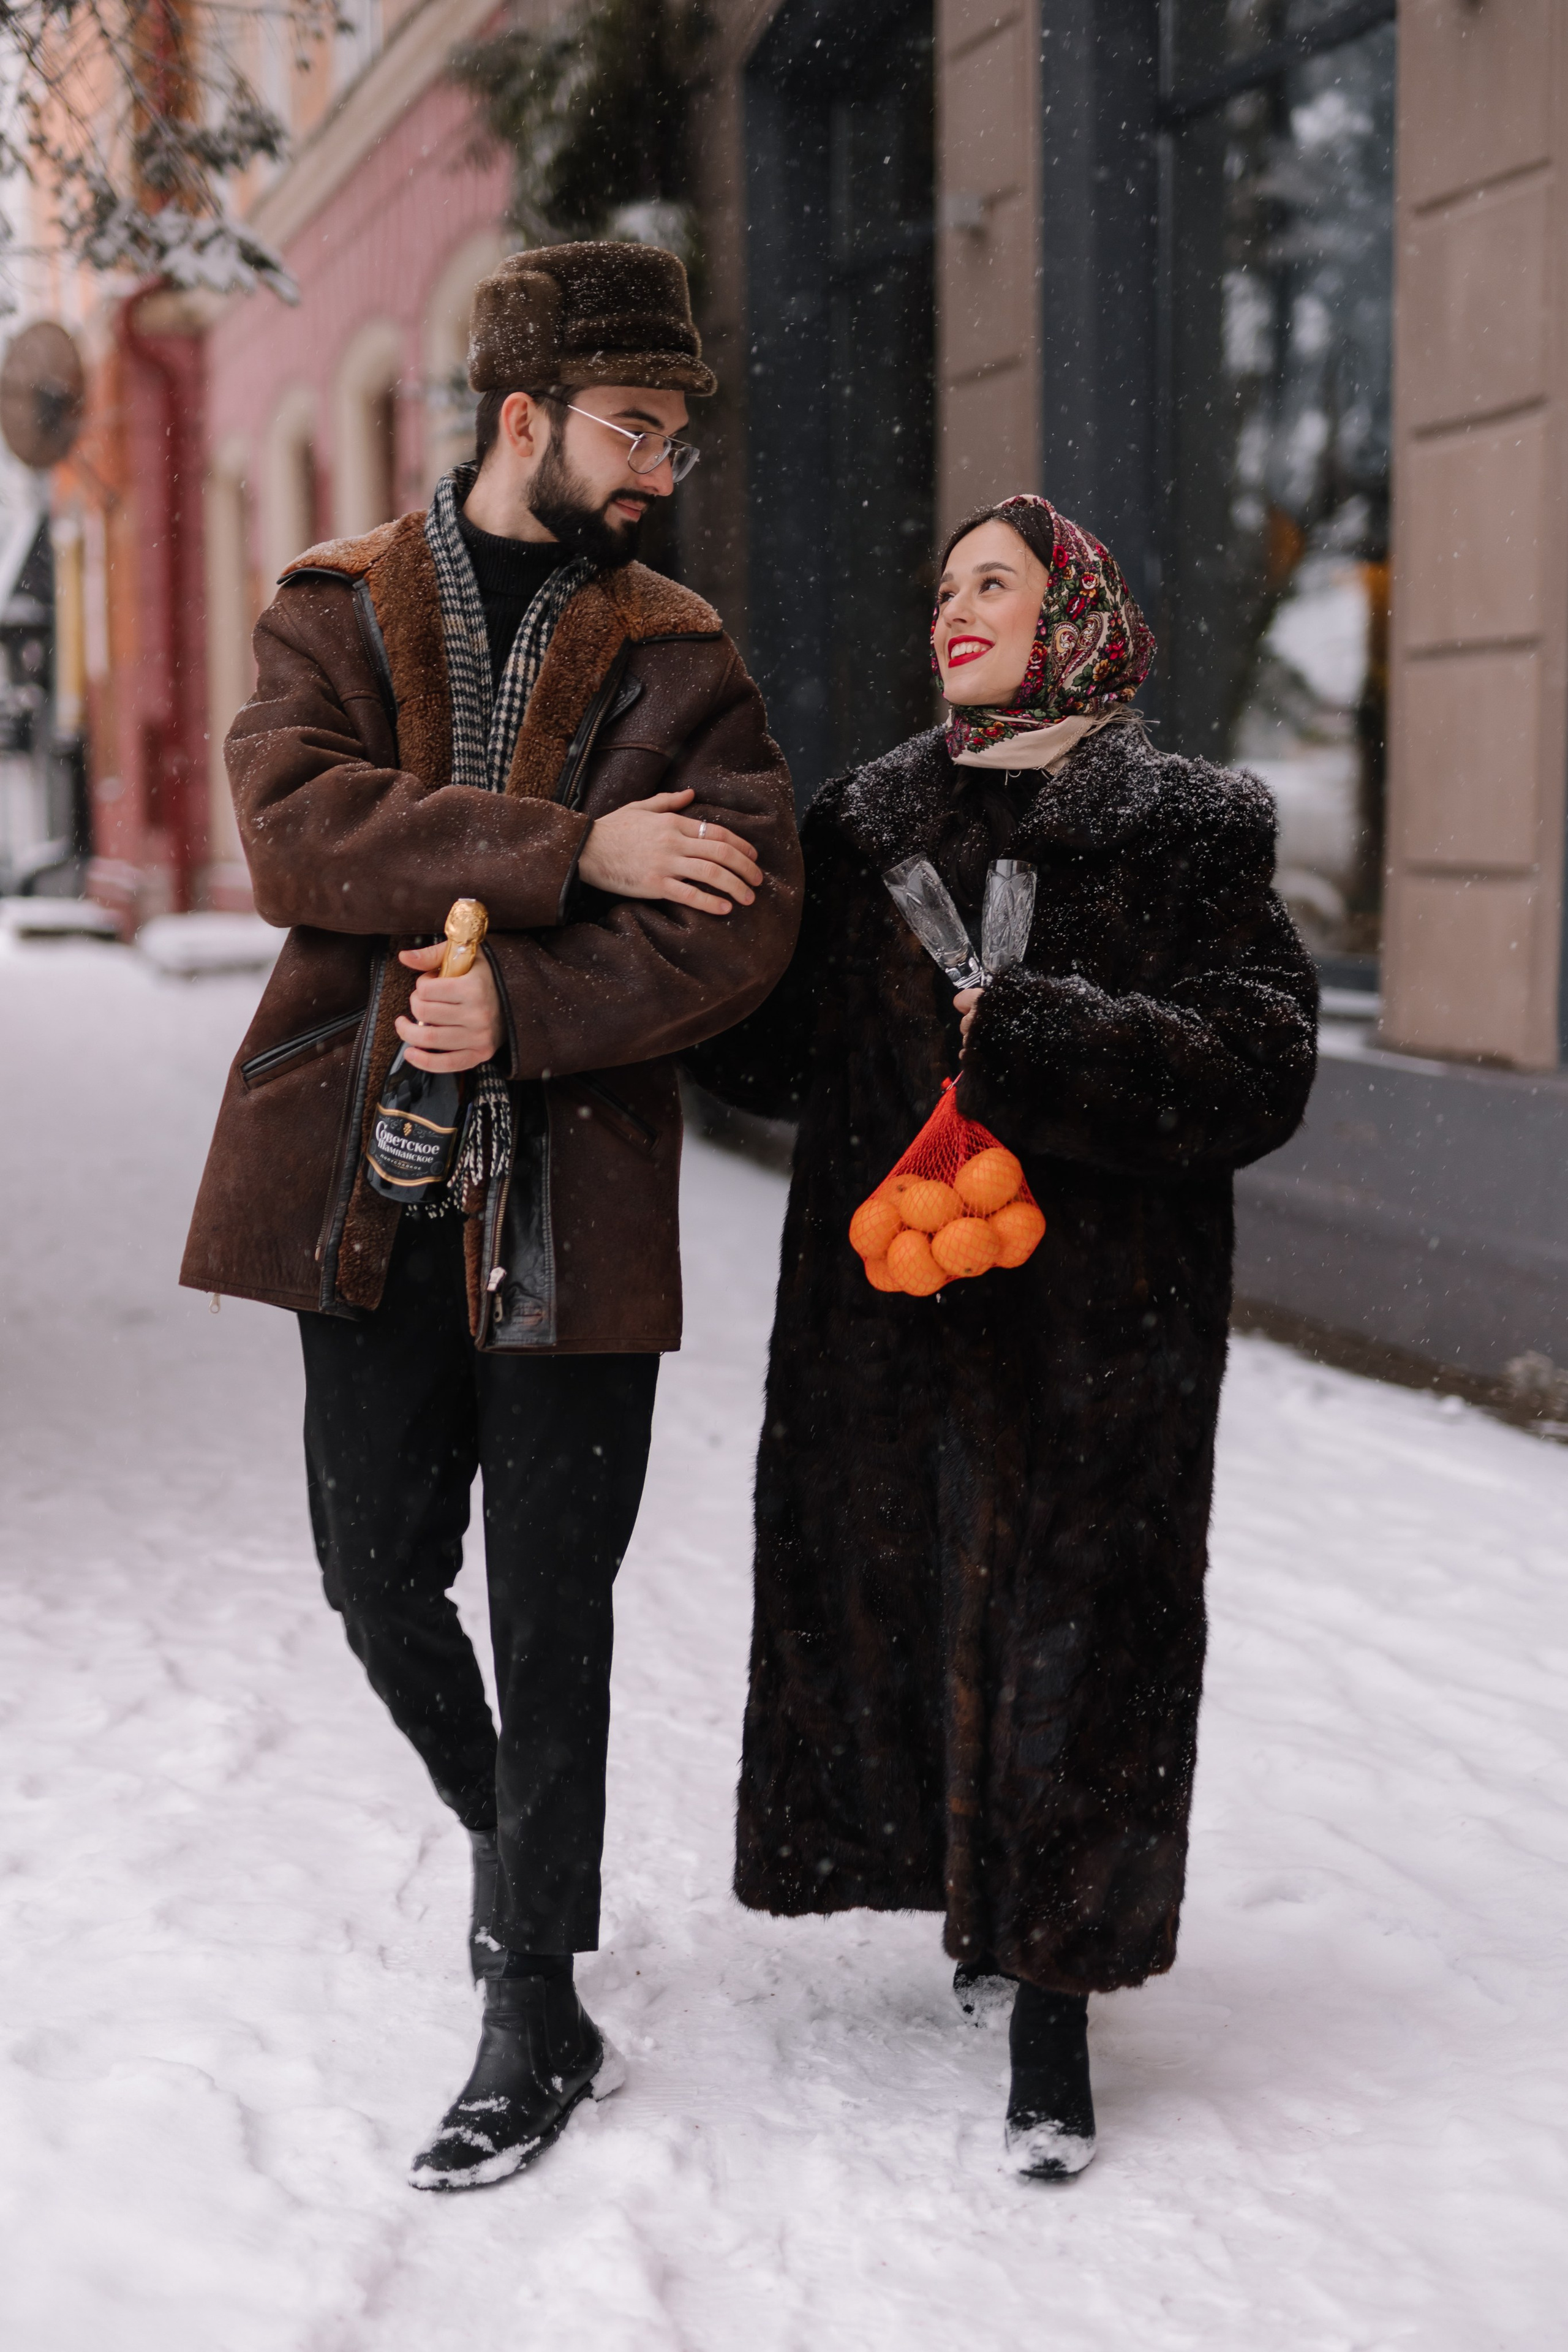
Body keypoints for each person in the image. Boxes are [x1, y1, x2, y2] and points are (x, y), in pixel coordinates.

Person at [181, 241, 802, 2190]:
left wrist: (529, 1000)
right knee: (377, 1580)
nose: (658, 471)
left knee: (555, 1611)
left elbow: (749, 916)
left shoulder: (686, 652)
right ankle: (514, 1834)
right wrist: (571, 845)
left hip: (579, 1200)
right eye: (632, 428)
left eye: (678, 435)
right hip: (352, 1181)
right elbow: (297, 824)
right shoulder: (336, 610)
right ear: (521, 416)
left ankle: (534, 1993)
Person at [686, 494, 1317, 2179]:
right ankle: (970, 1907)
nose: (955, 609)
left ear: (1080, 613)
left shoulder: (1188, 828)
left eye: (995, 583)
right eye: (943, 586)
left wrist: (1045, 1039)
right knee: (910, 1603)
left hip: (1104, 1333)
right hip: (890, 1324)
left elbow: (1262, 1061)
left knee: (1076, 1637)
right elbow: (773, 1066)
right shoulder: (869, 817)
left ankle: (1055, 1991)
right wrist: (707, 935)